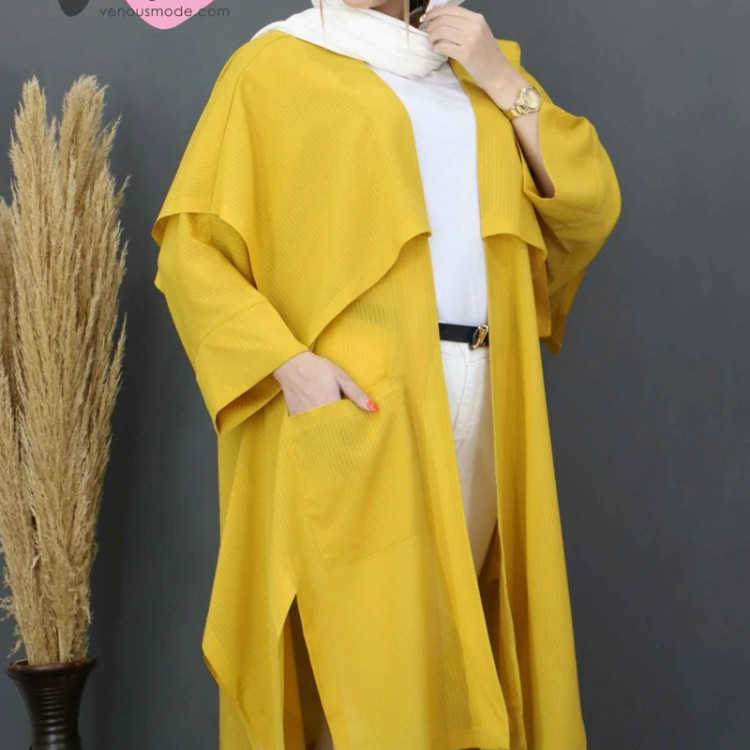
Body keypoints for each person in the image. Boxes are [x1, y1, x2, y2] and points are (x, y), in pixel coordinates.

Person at [150, 0, 621, 748]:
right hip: (365, 403)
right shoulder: (274, 65)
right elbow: (190, 252)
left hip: (489, 396)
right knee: (372, 677)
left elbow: (586, 208)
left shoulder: (471, 66)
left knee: (463, 654)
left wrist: (501, 78)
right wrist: (290, 368)